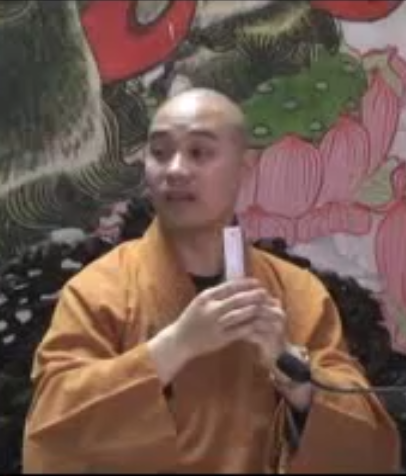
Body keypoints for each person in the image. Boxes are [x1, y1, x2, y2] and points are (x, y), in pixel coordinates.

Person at [23, 88, 400, 473]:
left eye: (199, 152)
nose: (175, 170)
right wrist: (175, 345)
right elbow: (51, 434)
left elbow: (368, 451)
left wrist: (293, 373)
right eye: (159, 152)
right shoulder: (98, 290)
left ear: (244, 168)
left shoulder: (297, 293)